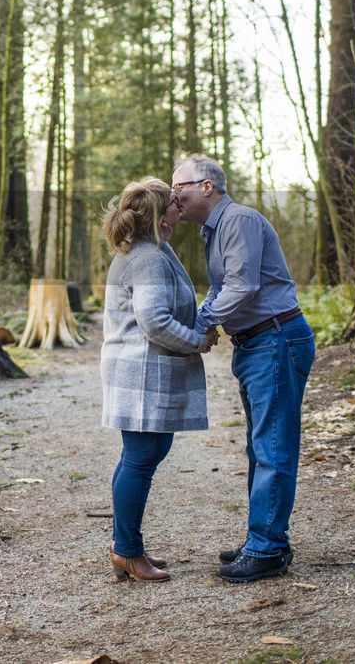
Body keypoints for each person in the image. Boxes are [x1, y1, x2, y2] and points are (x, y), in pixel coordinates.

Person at [170, 154, 314, 583]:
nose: (174, 195)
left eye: (179, 187)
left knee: (273, 446)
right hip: (257, 343)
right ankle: (265, 537)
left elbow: (242, 287)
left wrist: (200, 323)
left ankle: (267, 549)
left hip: (275, 339)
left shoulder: (239, 221)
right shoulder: (215, 231)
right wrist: (204, 319)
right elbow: (222, 287)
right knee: (261, 446)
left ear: (207, 186)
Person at [100, 177, 210, 583]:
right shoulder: (147, 257)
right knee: (141, 457)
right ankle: (126, 550)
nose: (180, 209)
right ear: (159, 215)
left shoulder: (151, 251)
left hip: (139, 371)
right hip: (141, 371)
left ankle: (125, 544)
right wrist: (198, 340)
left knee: (140, 456)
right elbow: (155, 322)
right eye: (174, 204)